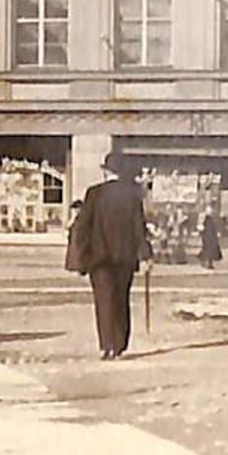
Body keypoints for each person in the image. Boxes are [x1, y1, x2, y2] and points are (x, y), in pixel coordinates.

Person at [65, 152, 151, 361]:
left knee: (104, 301)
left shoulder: (94, 193)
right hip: (125, 258)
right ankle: (120, 345)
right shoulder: (132, 195)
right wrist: (146, 255)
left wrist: (82, 255)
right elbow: (139, 228)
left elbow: (83, 226)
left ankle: (107, 345)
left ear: (106, 171)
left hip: (100, 258)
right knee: (121, 299)